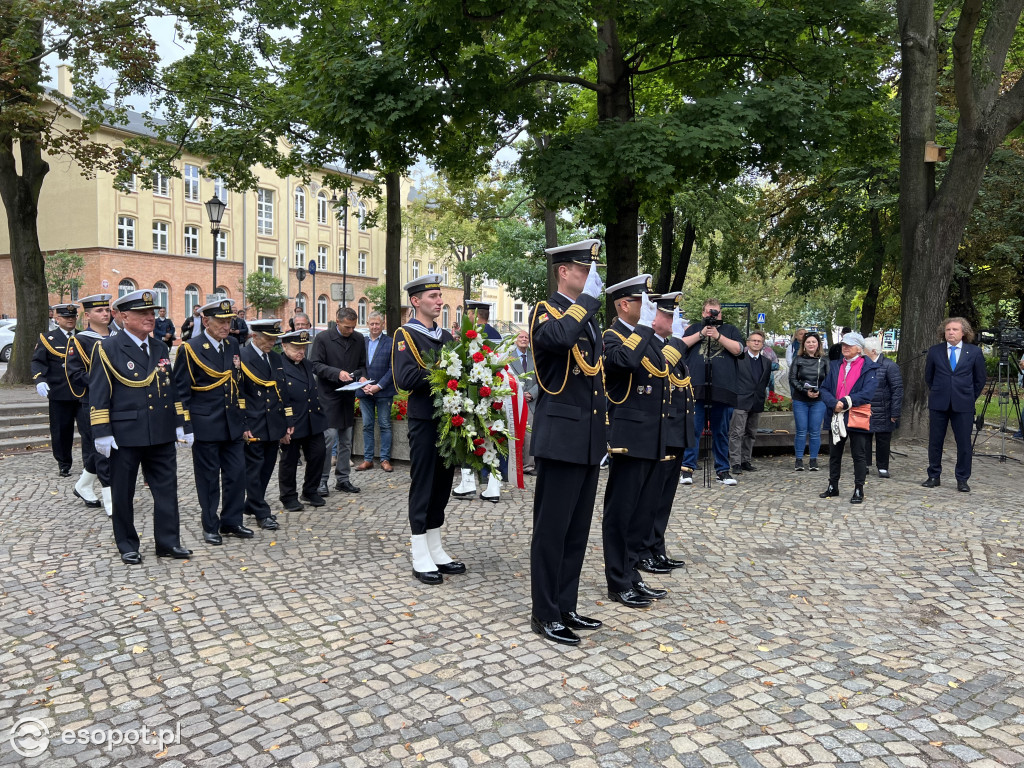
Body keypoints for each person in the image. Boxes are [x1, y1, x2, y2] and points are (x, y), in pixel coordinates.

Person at [528, 239, 606, 645]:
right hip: (560, 437)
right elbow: (557, 340)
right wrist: (588, 302)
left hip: (587, 438)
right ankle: (544, 613)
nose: (590, 276)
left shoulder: (586, 318)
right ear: (563, 271)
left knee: (576, 530)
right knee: (552, 529)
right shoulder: (547, 311)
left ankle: (566, 603)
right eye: (583, 268)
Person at [89, 289, 193, 564]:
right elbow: (98, 392)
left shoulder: (159, 346)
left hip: (160, 430)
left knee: (167, 490)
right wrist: (101, 431)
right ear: (123, 316)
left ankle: (168, 542)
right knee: (123, 492)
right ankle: (127, 544)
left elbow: (170, 388)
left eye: (151, 312)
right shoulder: (108, 348)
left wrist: (181, 422)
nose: (150, 318)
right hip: (125, 434)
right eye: (142, 313)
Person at [602, 275, 681, 610]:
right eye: (641, 302)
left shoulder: (641, 335)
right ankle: (618, 581)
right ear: (623, 304)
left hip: (651, 436)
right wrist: (646, 328)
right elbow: (624, 363)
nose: (646, 308)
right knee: (621, 512)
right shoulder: (613, 335)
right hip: (628, 438)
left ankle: (632, 573)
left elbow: (663, 373)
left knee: (639, 511)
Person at [391, 274, 464, 586]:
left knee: (443, 484)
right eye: (433, 296)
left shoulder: (445, 336)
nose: (439, 301)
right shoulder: (405, 336)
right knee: (424, 484)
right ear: (415, 301)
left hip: (448, 421)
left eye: (439, 295)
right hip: (424, 421)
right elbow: (405, 379)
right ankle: (419, 549)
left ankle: (435, 547)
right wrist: (443, 372)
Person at [173, 297, 253, 545]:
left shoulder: (232, 345)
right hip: (205, 424)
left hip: (232, 424)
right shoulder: (190, 348)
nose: (226, 326)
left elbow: (237, 385)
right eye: (220, 321)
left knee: (236, 475)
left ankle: (232, 520)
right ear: (206, 321)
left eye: (228, 321)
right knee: (208, 479)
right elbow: (180, 391)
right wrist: (184, 426)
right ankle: (210, 525)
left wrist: (244, 421)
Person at [636, 292, 691, 576]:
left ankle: (656, 547)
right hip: (661, 431)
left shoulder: (667, 346)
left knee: (664, 498)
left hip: (675, 431)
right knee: (651, 498)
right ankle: (644, 551)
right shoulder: (651, 347)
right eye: (669, 315)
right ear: (654, 318)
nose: (674, 320)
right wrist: (679, 344)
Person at [679, 299, 745, 486]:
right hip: (696, 387)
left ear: (721, 314)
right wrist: (701, 334)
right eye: (709, 312)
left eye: (716, 312)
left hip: (722, 389)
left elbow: (739, 350)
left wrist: (717, 335)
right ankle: (687, 469)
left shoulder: (730, 330)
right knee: (693, 429)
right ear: (703, 313)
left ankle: (722, 470)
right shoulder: (693, 329)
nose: (712, 316)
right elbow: (680, 346)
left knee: (721, 431)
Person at [922, 317, 987, 492]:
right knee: (935, 441)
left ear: (963, 332)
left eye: (955, 329)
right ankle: (934, 475)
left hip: (963, 404)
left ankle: (962, 479)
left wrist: (968, 397)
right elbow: (929, 377)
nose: (951, 332)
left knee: (964, 443)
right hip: (939, 402)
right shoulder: (935, 351)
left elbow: (980, 379)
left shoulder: (973, 352)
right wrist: (939, 390)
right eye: (948, 329)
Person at [240, 318, 293, 530]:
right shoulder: (242, 357)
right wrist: (243, 424)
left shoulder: (276, 359)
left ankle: (252, 503)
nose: (272, 343)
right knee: (253, 469)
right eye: (268, 339)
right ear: (254, 336)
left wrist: (288, 421)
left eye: (274, 339)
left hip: (274, 422)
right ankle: (262, 512)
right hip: (254, 422)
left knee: (266, 468)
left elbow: (283, 391)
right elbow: (239, 395)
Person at [64, 293, 113, 514]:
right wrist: (102, 382)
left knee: (106, 447)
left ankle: (83, 485)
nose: (105, 314)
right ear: (88, 315)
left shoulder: (117, 337)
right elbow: (75, 374)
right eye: (99, 311)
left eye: (107, 310)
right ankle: (112, 500)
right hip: (92, 402)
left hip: (118, 402)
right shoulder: (80, 340)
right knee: (103, 450)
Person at [452, 299, 505, 502]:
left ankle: (467, 484)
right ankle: (493, 486)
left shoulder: (473, 337)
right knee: (493, 439)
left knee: (469, 436)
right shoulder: (498, 335)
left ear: (473, 315)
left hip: (475, 394)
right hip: (495, 395)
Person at [310, 306, 366, 494]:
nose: (351, 331)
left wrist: (361, 377)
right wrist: (337, 373)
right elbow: (315, 365)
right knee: (328, 439)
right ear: (337, 321)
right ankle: (321, 480)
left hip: (347, 396)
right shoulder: (323, 338)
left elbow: (362, 365)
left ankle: (343, 479)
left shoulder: (358, 339)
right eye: (347, 327)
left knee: (346, 440)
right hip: (328, 396)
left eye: (353, 327)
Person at [818, 332, 879, 504]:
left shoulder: (869, 367)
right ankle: (833, 486)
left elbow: (867, 393)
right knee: (834, 454)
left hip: (856, 415)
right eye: (843, 344)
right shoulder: (835, 365)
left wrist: (845, 402)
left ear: (859, 349)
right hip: (836, 415)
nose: (845, 348)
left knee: (859, 454)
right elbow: (824, 388)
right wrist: (834, 403)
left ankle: (859, 488)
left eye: (849, 345)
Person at [32, 303, 85, 477]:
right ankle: (64, 463)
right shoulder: (48, 338)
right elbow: (38, 361)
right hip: (60, 392)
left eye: (73, 317)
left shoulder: (83, 337)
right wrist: (40, 379)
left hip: (83, 391)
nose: (70, 320)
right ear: (57, 319)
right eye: (66, 317)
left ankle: (90, 465)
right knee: (61, 431)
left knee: (88, 430)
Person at [277, 329, 327, 509]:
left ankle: (310, 490)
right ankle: (288, 496)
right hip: (292, 420)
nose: (301, 351)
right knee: (289, 460)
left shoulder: (306, 363)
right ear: (284, 345)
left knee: (318, 453)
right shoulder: (278, 365)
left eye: (304, 347)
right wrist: (283, 424)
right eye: (297, 347)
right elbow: (278, 397)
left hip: (312, 418)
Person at [355, 311, 396, 473]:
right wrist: (363, 380)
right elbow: (358, 365)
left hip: (383, 391)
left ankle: (385, 459)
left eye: (377, 324)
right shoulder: (361, 342)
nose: (374, 327)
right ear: (367, 324)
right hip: (364, 391)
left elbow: (393, 369)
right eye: (371, 324)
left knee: (385, 425)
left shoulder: (391, 343)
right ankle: (368, 459)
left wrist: (379, 386)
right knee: (367, 425)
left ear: (383, 324)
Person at [728, 330, 772, 474]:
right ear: (747, 343)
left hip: (757, 401)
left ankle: (746, 460)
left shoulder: (766, 362)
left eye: (759, 341)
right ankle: (735, 463)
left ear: (762, 344)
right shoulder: (739, 359)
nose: (756, 343)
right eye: (754, 340)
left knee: (751, 433)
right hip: (741, 400)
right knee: (737, 432)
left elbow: (764, 382)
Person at [862, 336, 903, 478]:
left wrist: (895, 412)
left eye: (864, 349)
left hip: (884, 410)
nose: (862, 352)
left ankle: (883, 466)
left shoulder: (889, 366)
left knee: (883, 439)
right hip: (865, 408)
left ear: (873, 351)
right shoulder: (862, 364)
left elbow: (897, 390)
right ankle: (864, 465)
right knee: (864, 439)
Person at [788, 331, 829, 471]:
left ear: (818, 344)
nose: (811, 344)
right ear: (804, 344)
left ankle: (813, 460)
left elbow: (829, 380)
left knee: (815, 431)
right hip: (801, 399)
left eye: (814, 342)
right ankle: (799, 459)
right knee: (801, 430)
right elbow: (792, 379)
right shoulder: (798, 359)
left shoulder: (824, 360)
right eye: (808, 342)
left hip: (819, 400)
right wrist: (805, 391)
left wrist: (819, 391)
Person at [507, 330, 537, 475]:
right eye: (521, 337)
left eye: (526, 337)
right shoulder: (508, 357)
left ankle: (529, 466)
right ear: (515, 340)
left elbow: (542, 378)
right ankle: (512, 466)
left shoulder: (535, 357)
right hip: (513, 400)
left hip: (531, 401)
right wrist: (518, 393)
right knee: (513, 432)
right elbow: (504, 377)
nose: (524, 339)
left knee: (529, 434)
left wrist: (532, 393)